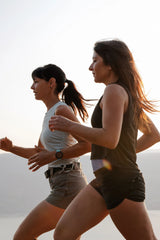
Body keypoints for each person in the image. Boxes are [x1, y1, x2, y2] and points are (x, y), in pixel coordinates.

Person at [49, 40, 160, 240]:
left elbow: (109, 138)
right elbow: (153, 135)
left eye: (95, 61)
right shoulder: (124, 92)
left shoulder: (114, 91)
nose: (90, 67)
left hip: (122, 182)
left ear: (109, 64)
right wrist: (122, 153)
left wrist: (69, 125)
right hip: (105, 180)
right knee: (63, 234)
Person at [0, 64, 91, 240]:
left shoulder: (62, 109)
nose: (31, 87)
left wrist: (54, 155)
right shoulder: (48, 114)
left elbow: (87, 145)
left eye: (35, 82)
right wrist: (11, 148)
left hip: (68, 184)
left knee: (23, 236)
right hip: (62, 183)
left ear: (51, 83)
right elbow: (39, 153)